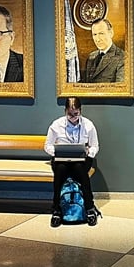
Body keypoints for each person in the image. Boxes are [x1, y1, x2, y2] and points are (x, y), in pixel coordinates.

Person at [44, 97, 100, 226]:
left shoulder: (88, 125)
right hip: (61, 160)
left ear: (80, 111)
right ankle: (56, 209)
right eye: (70, 114)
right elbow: (47, 145)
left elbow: (95, 146)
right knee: (60, 171)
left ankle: (89, 208)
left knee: (80, 169)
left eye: (76, 114)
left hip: (82, 160)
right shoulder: (56, 125)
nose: (73, 117)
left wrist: (89, 153)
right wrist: (57, 152)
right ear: (65, 111)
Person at [81, 18, 125, 83]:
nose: (97, 39)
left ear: (111, 33)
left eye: (101, 33)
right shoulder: (91, 56)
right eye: (95, 34)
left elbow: (120, 89)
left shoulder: (123, 58)